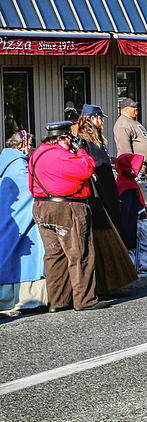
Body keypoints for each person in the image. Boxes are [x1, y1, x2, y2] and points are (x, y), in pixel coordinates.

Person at [28, 122, 108, 311]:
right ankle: (85, 299)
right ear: (63, 138)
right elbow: (86, 169)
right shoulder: (63, 156)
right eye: (69, 139)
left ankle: (58, 301)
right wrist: (81, 151)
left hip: (42, 207)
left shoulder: (37, 154)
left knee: (54, 256)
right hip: (67, 208)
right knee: (79, 254)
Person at [73, 105, 138, 294]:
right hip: (98, 194)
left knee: (113, 233)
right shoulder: (83, 140)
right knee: (103, 237)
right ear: (92, 118)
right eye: (100, 118)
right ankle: (104, 284)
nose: (102, 121)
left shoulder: (97, 139)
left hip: (108, 193)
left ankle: (113, 281)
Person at [0, 131, 47, 315]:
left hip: (8, 221)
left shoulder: (4, 162)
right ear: (23, 146)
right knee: (26, 256)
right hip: (23, 222)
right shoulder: (19, 165)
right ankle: (25, 299)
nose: (31, 150)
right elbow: (31, 192)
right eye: (30, 146)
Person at [113, 98, 147, 169]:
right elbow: (124, 149)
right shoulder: (122, 124)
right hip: (135, 166)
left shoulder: (133, 122)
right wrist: (132, 167)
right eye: (133, 107)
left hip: (141, 164)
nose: (136, 108)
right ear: (126, 110)